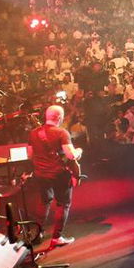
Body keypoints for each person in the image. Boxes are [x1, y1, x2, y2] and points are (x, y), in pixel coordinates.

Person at [27, 104, 81, 248]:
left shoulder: (33, 133)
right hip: (58, 175)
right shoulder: (61, 133)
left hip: (41, 174)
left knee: (44, 202)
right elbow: (71, 155)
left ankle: (38, 233)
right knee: (63, 204)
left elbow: (30, 155)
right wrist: (79, 151)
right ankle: (57, 237)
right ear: (60, 118)